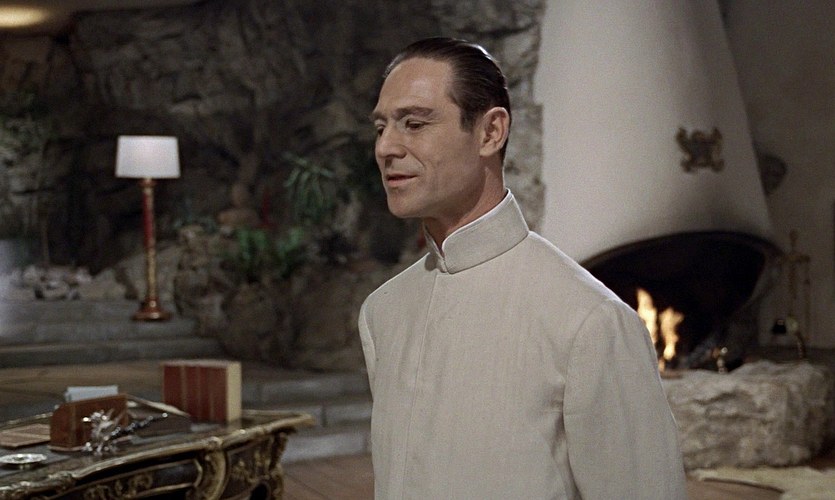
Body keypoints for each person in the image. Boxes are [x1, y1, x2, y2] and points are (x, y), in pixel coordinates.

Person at [359, 37, 687, 499]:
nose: (386, 147)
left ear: (490, 133)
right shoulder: (383, 311)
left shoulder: (590, 320)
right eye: (381, 127)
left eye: (414, 123)